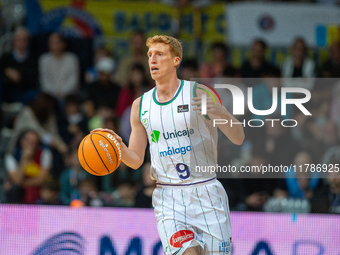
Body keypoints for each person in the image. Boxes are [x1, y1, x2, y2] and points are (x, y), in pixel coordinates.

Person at [93, 35, 245, 255]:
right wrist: (119, 148)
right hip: (169, 197)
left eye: (159, 54)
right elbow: (135, 160)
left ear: (176, 60)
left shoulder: (198, 93)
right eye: (150, 55)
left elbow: (238, 137)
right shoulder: (140, 105)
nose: (152, 60)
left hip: (207, 192)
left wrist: (219, 112)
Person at [4, 130, 52, 204]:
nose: (31, 144)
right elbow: (17, 181)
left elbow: (41, 179)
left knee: (48, 191)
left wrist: (21, 182)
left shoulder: (45, 154)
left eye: (34, 141)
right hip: (20, 192)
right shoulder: (11, 156)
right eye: (28, 140)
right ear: (21, 141)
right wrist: (24, 159)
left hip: (38, 190)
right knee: (15, 189)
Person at [0, 27, 39, 104]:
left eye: (24, 40)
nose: (21, 43)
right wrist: (7, 71)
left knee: (35, 95)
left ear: (28, 42)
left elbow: (33, 80)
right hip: (8, 92)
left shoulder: (33, 59)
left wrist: (19, 78)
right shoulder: (6, 58)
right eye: (18, 40)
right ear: (13, 42)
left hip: (26, 92)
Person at [39, 33, 80, 100]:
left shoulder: (72, 58)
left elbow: (73, 81)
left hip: (69, 94)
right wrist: (55, 93)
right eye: (51, 42)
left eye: (56, 42)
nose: (53, 45)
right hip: (50, 95)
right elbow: (44, 81)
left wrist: (62, 92)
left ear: (63, 44)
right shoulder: (44, 59)